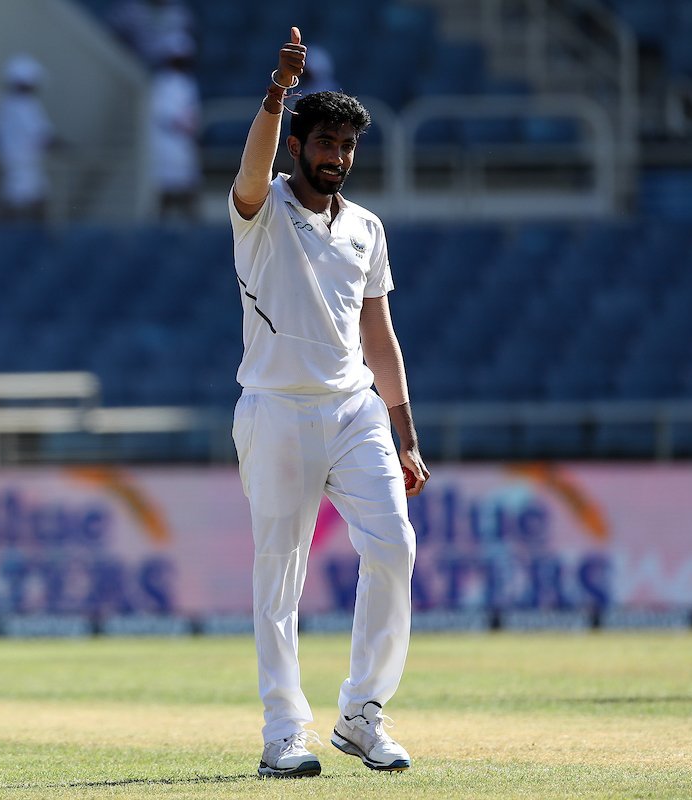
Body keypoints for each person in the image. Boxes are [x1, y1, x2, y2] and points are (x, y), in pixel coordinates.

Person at [229, 27, 430, 779]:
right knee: (280, 573)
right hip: (276, 409)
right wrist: (278, 93)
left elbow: (380, 334)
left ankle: (362, 713)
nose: (336, 157)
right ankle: (285, 731)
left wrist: (405, 431)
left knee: (394, 548)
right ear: (296, 147)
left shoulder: (366, 228)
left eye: (347, 145)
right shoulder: (262, 211)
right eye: (325, 143)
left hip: (354, 410)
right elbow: (250, 171)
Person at [0, 54, 55, 221]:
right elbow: (43, 135)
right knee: (33, 207)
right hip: (25, 166)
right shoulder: (24, 105)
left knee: (12, 205)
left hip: (10, 165)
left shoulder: (2, 105)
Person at [148, 32, 201, 220]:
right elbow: (161, 115)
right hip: (166, 143)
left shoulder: (188, 82)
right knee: (166, 192)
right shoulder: (161, 83)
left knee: (189, 190)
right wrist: (182, 124)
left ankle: (194, 232)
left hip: (184, 143)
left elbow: (192, 112)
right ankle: (160, 233)